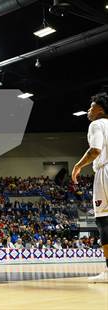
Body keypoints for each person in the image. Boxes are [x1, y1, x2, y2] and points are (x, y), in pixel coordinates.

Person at [72, 93, 108, 283]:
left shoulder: (97, 124)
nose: (89, 110)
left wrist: (78, 166)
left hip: (106, 172)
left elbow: (95, 150)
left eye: (91, 107)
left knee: (103, 220)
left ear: (100, 109)